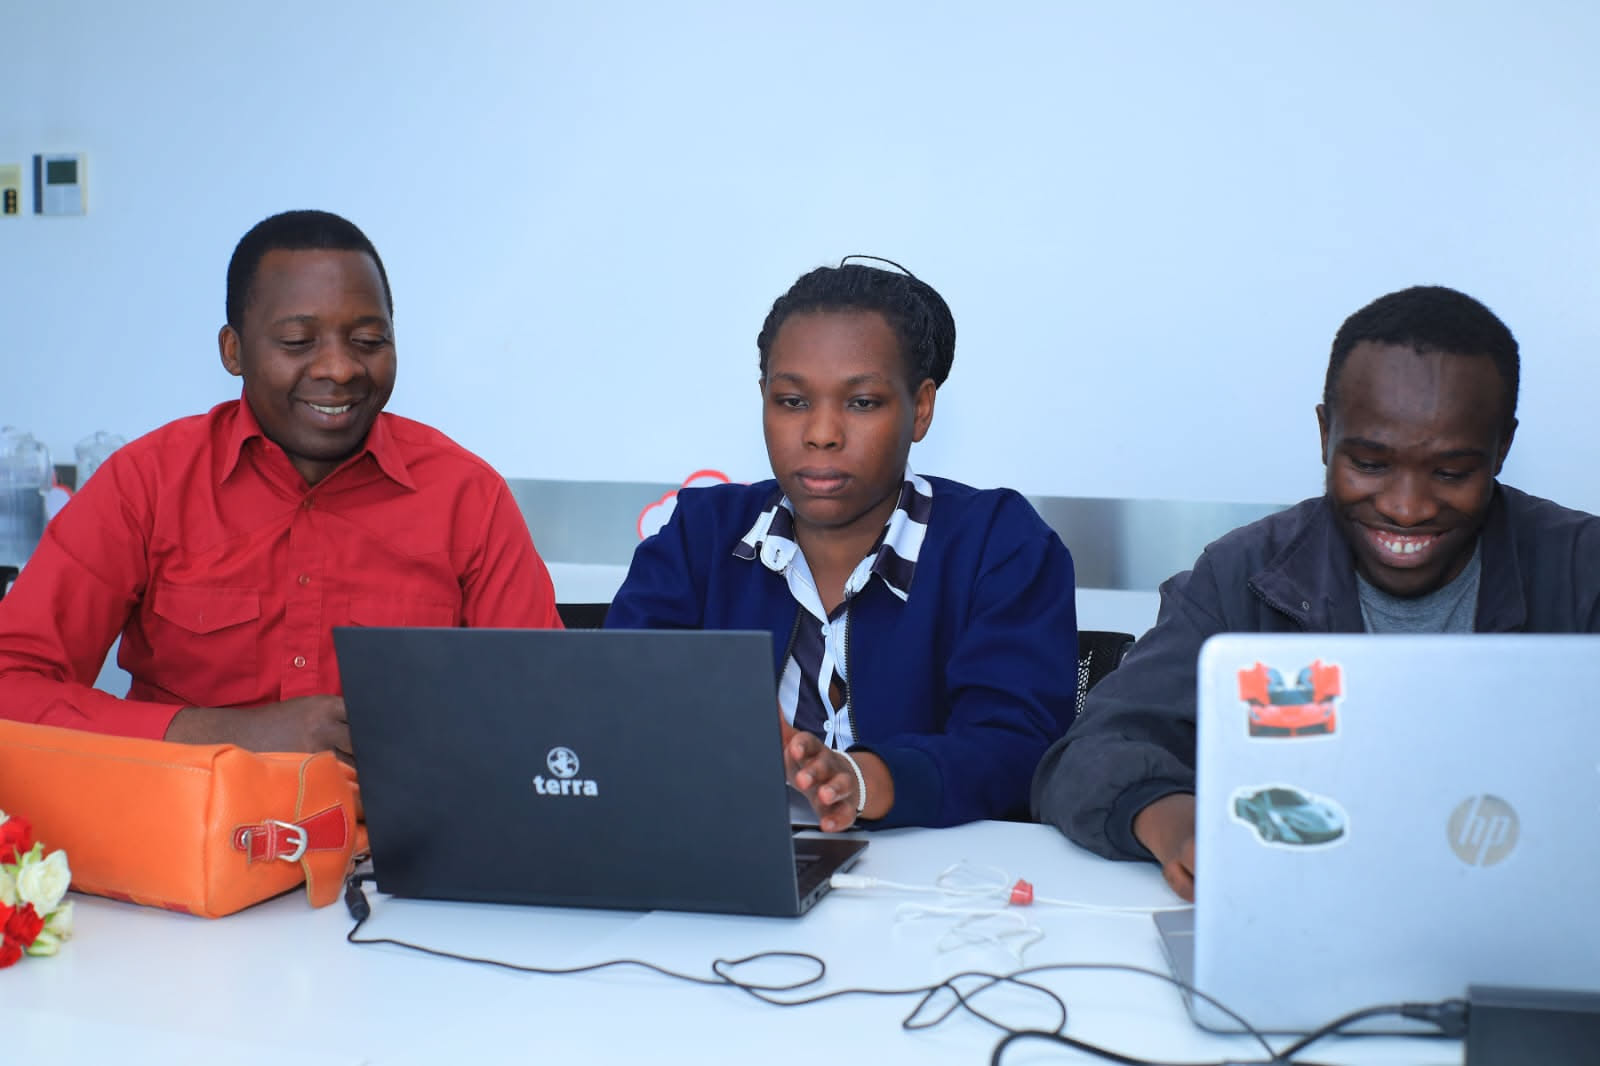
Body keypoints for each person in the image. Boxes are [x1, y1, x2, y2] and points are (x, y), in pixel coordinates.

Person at [1032, 285, 1600, 900]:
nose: (1406, 507)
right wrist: (1176, 825)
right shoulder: (1243, 574)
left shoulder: (1583, 569)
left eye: (1450, 472)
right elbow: (1089, 753)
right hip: (1303, 906)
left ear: (1501, 448)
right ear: (1326, 434)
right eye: (1371, 464)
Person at [0, 209, 562, 756]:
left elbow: (547, 708)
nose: (340, 368)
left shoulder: (468, 497)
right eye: (297, 342)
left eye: (369, 341)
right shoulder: (146, 485)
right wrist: (225, 734)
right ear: (234, 351)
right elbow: (11, 683)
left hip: (398, 820)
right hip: (182, 816)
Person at [606, 259, 1078, 831]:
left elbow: (1016, 745)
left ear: (921, 408)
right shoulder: (701, 532)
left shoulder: (999, 543)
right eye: (792, 401)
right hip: (724, 847)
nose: (822, 434)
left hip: (936, 868)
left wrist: (861, 779)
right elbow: (618, 701)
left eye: (861, 402)